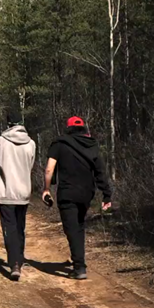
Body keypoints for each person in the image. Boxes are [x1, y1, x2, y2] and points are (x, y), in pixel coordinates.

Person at [42, 116, 113, 280]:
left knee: (71, 229)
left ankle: (79, 267)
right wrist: (106, 194)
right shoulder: (92, 145)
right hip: (86, 193)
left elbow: (49, 169)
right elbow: (100, 171)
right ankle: (79, 263)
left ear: (68, 128)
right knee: (79, 226)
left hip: (67, 193)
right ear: (83, 129)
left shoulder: (59, 143)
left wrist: (46, 188)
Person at [0, 110, 36, 281]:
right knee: (20, 226)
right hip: (24, 190)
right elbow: (30, 165)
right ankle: (20, 258)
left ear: (8, 123)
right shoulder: (31, 143)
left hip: (6, 190)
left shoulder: (1, 140)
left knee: (9, 228)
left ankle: (14, 264)